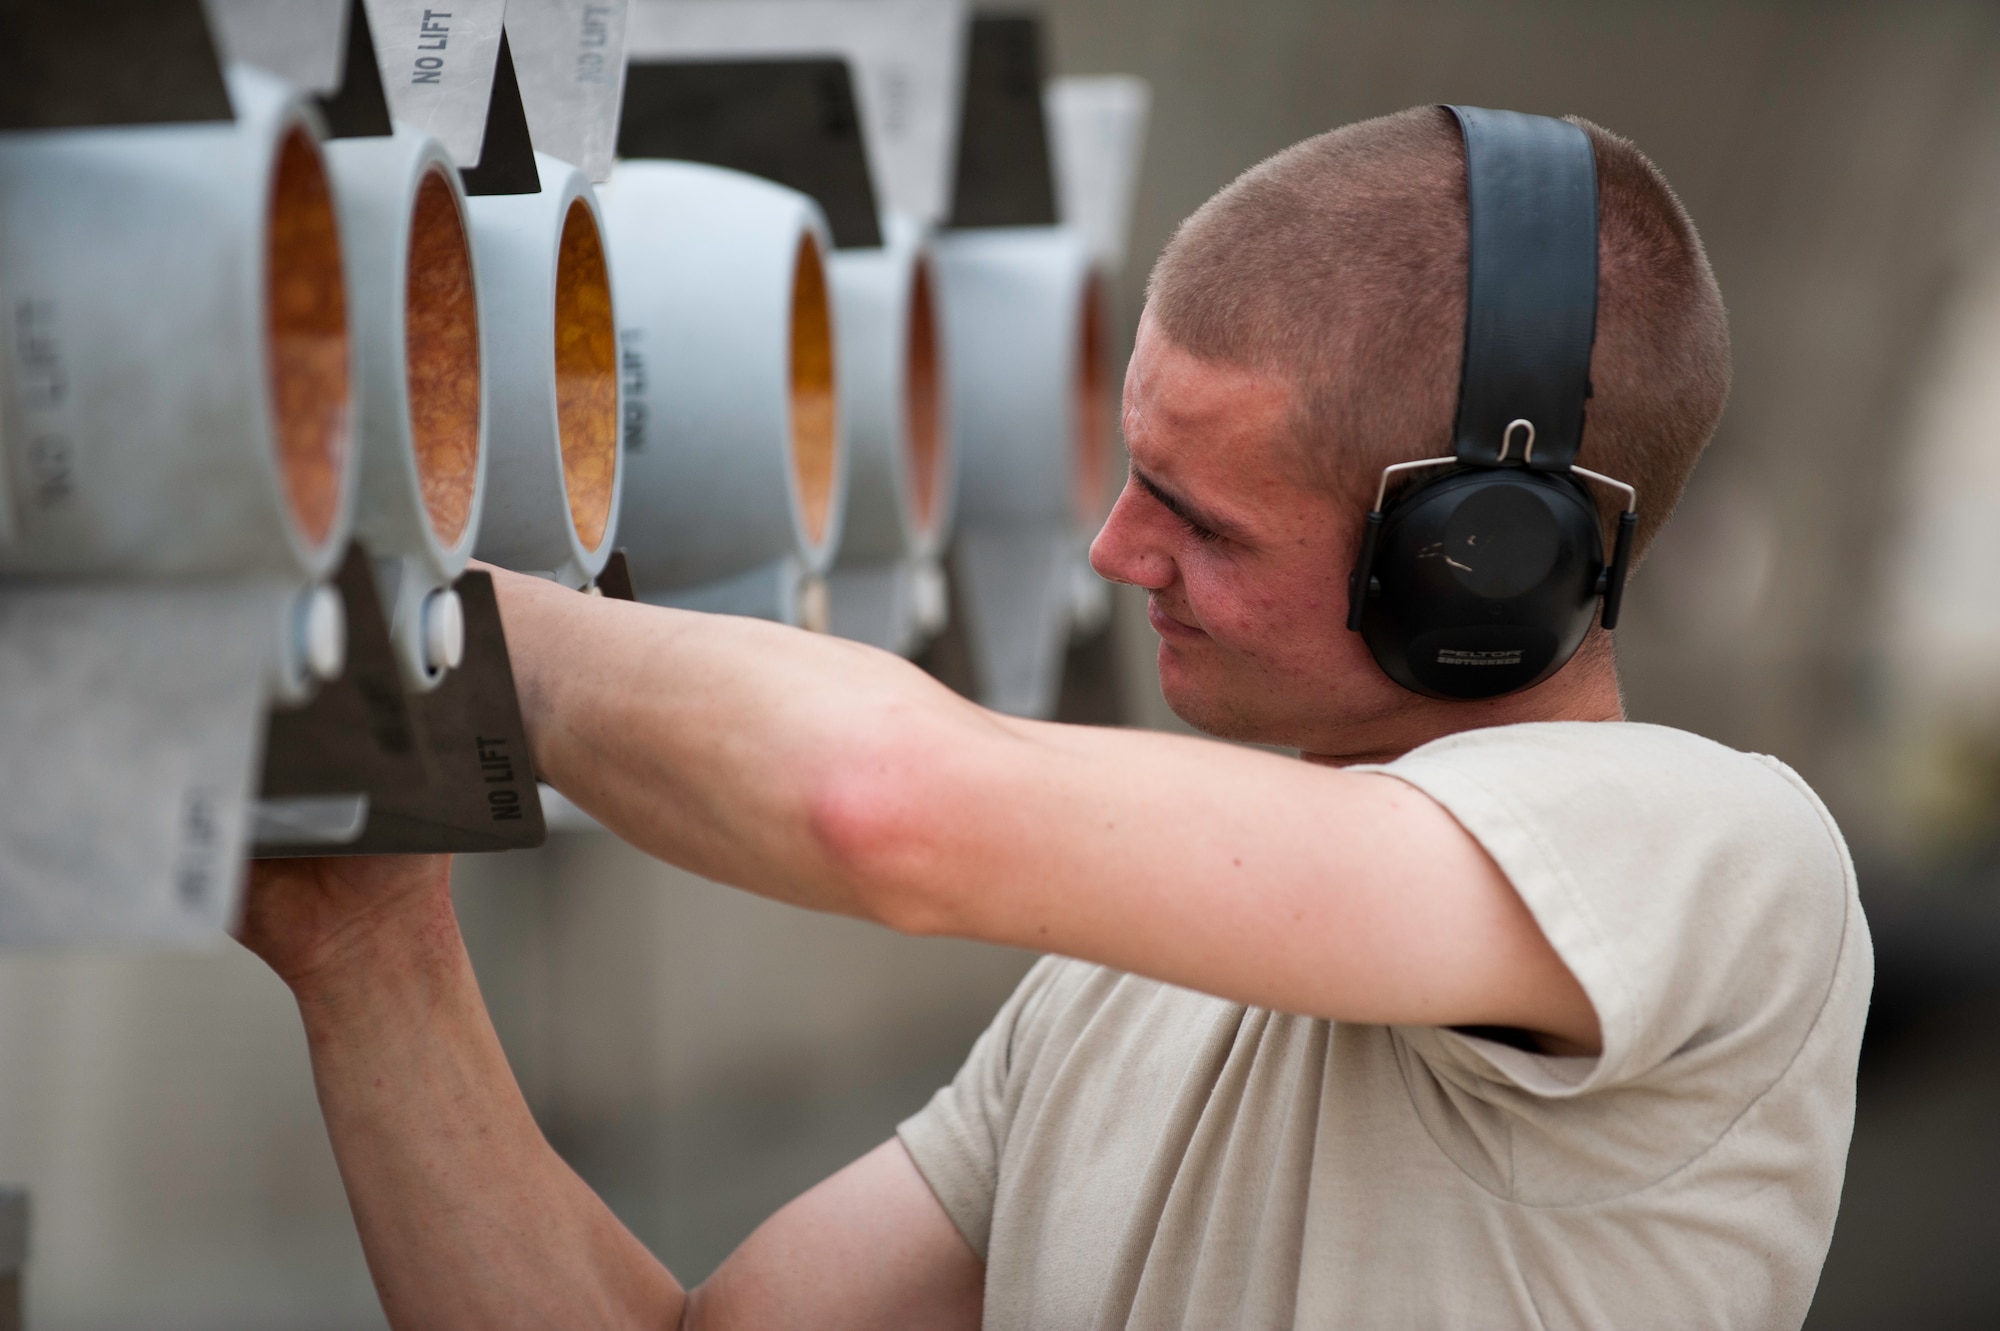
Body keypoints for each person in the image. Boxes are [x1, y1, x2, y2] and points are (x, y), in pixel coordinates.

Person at [241, 106, 1871, 1330]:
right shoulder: (1129, 987)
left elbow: (881, 806)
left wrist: (388, 582)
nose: (1114, 554)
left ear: (1479, 566)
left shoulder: (1718, 862)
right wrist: (374, 963)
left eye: (1201, 522)